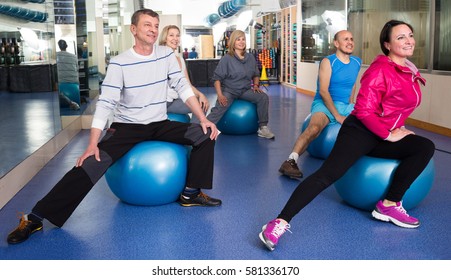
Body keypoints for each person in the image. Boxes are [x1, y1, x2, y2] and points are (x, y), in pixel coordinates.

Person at [6, 8, 221, 245]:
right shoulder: (120, 63)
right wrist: (92, 143)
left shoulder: (166, 56)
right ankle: (35, 217)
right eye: (147, 25)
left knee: (206, 133)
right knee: (89, 164)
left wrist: (202, 118)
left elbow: (182, 87)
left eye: (156, 25)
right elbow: (106, 103)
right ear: (134, 29)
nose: (153, 29)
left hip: (159, 123)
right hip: (127, 127)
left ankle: (190, 193)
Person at [259, 20, 435, 251]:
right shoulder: (380, 70)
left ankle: (390, 203)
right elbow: (363, 110)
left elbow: (395, 106)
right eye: (400, 37)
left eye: (410, 35)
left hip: (382, 132)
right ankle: (278, 222)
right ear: (387, 44)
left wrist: (395, 128)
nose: (408, 40)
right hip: (360, 132)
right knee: (326, 176)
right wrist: (387, 133)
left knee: (424, 147)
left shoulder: (408, 69)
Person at [279, 30, 361, 178]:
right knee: (315, 128)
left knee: (370, 122)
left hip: (345, 104)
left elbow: (352, 85)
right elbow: (323, 91)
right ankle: (290, 161)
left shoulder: (356, 62)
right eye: (345, 39)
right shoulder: (328, 62)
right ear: (336, 43)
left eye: (351, 39)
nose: (350, 42)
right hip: (324, 103)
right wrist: (337, 116)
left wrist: (351, 105)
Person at [202, 29, 275, 139]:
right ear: (233, 42)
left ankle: (263, 128)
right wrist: (220, 95)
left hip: (245, 90)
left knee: (263, 97)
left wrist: (255, 85)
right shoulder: (227, 59)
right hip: (230, 90)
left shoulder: (250, 57)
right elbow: (217, 79)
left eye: (243, 39)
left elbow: (256, 74)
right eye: (238, 39)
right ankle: (203, 129)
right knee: (220, 106)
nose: (241, 42)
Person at [159, 25, 209, 119]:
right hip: (162, 103)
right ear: (165, 38)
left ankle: (193, 133)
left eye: (177, 36)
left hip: (174, 100)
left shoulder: (180, 59)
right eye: (171, 35)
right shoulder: (160, 57)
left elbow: (187, 84)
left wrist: (200, 94)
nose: (175, 38)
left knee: (202, 104)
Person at [56, 39, 80, 110]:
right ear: (67, 46)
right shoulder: (74, 56)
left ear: (59, 46)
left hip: (61, 82)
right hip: (74, 82)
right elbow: (77, 68)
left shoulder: (56, 55)